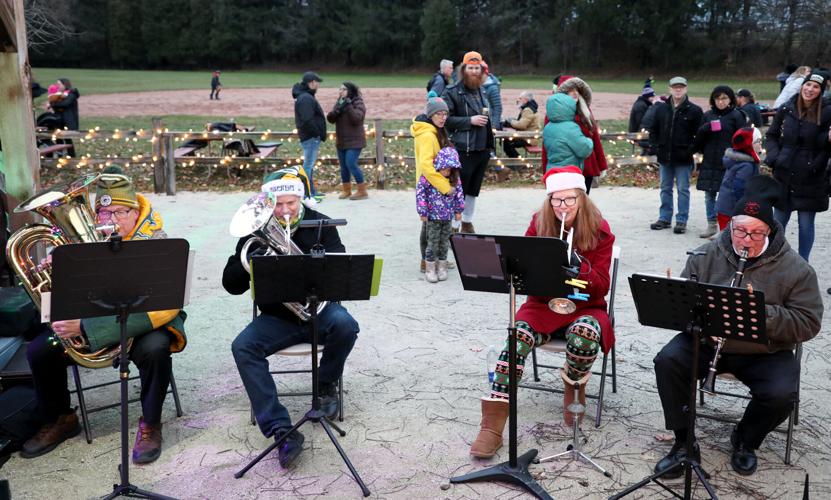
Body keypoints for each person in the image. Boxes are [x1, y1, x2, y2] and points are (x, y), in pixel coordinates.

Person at [652, 175, 822, 477]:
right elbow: (685, 301)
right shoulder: (706, 253)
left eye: (756, 233)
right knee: (667, 361)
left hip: (764, 350)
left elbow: (809, 322)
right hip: (707, 341)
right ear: (730, 226)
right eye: (740, 230)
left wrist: (759, 315)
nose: (746, 240)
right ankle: (684, 442)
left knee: (783, 393)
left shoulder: (796, 268)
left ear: (770, 231)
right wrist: (694, 312)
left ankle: (746, 438)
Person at [22, 166, 187, 465]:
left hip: (144, 324)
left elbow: (167, 306)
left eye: (121, 213)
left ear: (136, 213)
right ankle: (62, 418)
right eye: (103, 214)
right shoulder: (79, 245)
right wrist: (58, 274)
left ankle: (151, 423)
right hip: (91, 323)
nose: (110, 221)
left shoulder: (157, 242)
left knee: (156, 349)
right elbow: (59, 304)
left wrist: (86, 327)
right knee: (40, 350)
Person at [470, 166, 615, 458]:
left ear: (582, 198)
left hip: (584, 305)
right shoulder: (539, 224)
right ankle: (492, 426)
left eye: (569, 200)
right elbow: (523, 274)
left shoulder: (600, 230)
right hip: (543, 304)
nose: (562, 207)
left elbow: (601, 287)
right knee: (516, 338)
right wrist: (542, 266)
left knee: (585, 335)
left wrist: (580, 267)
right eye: (556, 200)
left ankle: (574, 387)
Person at [225, 167, 359, 469]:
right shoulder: (254, 231)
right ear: (267, 204)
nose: (284, 211)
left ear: (301, 200)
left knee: (347, 326)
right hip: (277, 318)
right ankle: (280, 430)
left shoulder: (322, 225)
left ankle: (324, 384)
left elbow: (340, 271)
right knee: (242, 347)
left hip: (320, 312)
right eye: (278, 204)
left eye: (291, 203)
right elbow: (231, 285)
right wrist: (249, 264)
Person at [765, 71, 831, 261]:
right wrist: (776, 157)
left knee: (806, 224)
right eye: (808, 85)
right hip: (784, 172)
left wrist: (821, 154)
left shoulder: (827, 111)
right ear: (802, 85)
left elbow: (824, 146)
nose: (810, 89)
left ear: (821, 90)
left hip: (811, 176)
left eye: (816, 87)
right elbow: (772, 135)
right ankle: (773, 260)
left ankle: (803, 264)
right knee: (777, 222)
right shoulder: (787, 107)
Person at [442, 51, 495, 234]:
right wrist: (469, 121)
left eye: (477, 68)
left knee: (473, 190)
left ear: (481, 70)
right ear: (464, 69)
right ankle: (453, 228)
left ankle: (467, 222)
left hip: (482, 148)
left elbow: (488, 115)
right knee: (459, 190)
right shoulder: (452, 92)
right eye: (470, 68)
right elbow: (444, 119)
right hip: (463, 148)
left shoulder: (482, 91)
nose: (474, 71)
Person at [648, 76, 704, 234]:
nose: (678, 90)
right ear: (670, 89)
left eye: (681, 87)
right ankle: (664, 218)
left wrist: (690, 150)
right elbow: (653, 129)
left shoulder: (694, 110)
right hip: (665, 156)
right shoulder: (661, 109)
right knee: (665, 188)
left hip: (683, 158)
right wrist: (655, 147)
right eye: (675, 87)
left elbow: (699, 135)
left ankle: (681, 220)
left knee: (683, 189)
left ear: (686, 89)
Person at [693, 85, 746, 238]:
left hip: (729, 161)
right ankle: (711, 224)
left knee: (727, 195)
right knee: (709, 194)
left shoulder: (737, 116)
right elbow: (699, 139)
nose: (721, 102)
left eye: (724, 98)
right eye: (717, 98)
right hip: (710, 159)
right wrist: (704, 129)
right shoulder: (708, 115)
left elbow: (742, 139)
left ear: (730, 99)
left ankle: (727, 227)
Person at [412, 96, 456, 274]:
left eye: (445, 113)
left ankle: (435, 257)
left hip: (435, 185)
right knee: (430, 225)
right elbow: (426, 166)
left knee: (432, 224)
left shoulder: (436, 131)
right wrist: (444, 187)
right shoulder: (428, 135)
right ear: (430, 115)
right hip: (431, 187)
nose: (443, 117)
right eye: (438, 113)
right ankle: (427, 259)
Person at [416, 147, 464, 283]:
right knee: (432, 241)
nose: (446, 172)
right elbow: (420, 194)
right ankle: (430, 267)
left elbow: (459, 195)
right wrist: (422, 211)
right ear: (439, 166)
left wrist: (458, 210)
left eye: (449, 170)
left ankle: (442, 266)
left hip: (447, 217)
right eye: (444, 168)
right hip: (432, 218)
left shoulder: (454, 180)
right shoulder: (429, 178)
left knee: (444, 242)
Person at [556, 77, 609, 193]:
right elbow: (548, 143)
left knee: (583, 202)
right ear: (564, 93)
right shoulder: (555, 113)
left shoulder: (586, 111)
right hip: (566, 167)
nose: (575, 93)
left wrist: (601, 164)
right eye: (570, 90)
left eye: (577, 90)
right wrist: (547, 170)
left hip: (587, 165)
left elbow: (595, 138)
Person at [715, 127, 763, 230]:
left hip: (725, 207)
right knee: (730, 238)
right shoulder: (746, 166)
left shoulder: (738, 160)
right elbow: (739, 188)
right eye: (758, 141)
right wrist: (744, 210)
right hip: (731, 209)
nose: (760, 144)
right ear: (749, 145)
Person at [327, 81, 368, 200]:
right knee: (344, 166)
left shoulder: (358, 102)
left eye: (343, 89)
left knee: (351, 163)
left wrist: (348, 106)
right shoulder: (339, 102)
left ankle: (362, 191)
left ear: (350, 91)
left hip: (355, 141)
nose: (341, 91)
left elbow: (357, 118)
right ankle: (346, 189)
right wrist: (336, 111)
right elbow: (330, 119)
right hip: (342, 140)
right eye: (340, 89)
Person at [292, 71, 327, 197]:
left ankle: (311, 191)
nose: (318, 85)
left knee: (309, 165)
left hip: (310, 136)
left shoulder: (305, 96)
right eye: (317, 82)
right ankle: (307, 193)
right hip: (310, 137)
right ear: (311, 83)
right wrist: (317, 133)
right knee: (308, 165)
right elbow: (307, 119)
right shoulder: (305, 98)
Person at [542, 93, 593, 173]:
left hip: (552, 171)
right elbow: (584, 150)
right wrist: (589, 141)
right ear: (569, 107)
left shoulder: (548, 127)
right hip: (569, 172)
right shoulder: (571, 128)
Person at [501, 91, 540, 159]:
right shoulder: (529, 108)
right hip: (527, 136)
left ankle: (518, 162)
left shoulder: (528, 110)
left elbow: (521, 125)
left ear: (526, 100)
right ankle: (518, 161)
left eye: (520, 98)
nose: (518, 100)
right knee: (506, 141)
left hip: (528, 138)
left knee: (507, 143)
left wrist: (510, 122)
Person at [49, 78, 80, 157]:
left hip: (69, 121)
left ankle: (72, 156)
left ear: (65, 85)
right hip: (60, 121)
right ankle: (60, 156)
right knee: (58, 138)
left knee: (67, 139)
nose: (57, 86)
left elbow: (65, 104)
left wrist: (52, 104)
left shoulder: (71, 94)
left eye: (59, 84)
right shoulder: (59, 95)